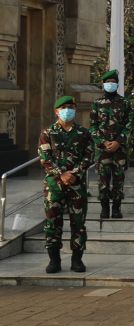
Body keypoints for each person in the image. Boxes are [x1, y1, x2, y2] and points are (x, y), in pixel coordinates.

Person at [38, 96, 93, 274]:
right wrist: (61, 174)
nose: (67, 110)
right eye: (64, 107)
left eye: (71, 107)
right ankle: (54, 260)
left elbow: (88, 156)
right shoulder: (47, 133)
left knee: (78, 223)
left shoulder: (83, 133)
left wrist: (74, 174)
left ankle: (77, 260)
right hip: (54, 186)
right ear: (56, 111)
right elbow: (45, 159)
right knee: (52, 223)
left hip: (76, 185)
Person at [90, 69, 130, 220]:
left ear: (117, 84)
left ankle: (117, 208)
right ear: (103, 84)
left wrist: (118, 142)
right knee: (103, 181)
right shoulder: (97, 104)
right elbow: (93, 126)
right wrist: (103, 142)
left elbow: (129, 124)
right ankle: (104, 207)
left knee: (118, 180)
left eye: (113, 82)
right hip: (103, 150)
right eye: (108, 82)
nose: (110, 84)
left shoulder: (125, 103)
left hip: (120, 149)